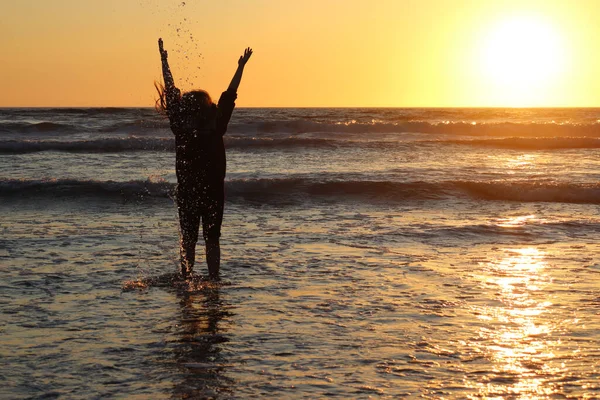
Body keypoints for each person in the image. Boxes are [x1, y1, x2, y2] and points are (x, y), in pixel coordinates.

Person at [156, 38, 252, 280]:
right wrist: (240, 67)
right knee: (208, 239)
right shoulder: (210, 125)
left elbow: (229, 95)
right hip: (207, 192)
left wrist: (165, 62)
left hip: (194, 191)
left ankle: (190, 279)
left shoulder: (184, 127)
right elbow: (229, 96)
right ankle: (211, 280)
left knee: (195, 239)